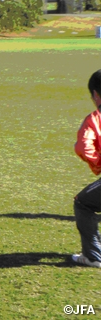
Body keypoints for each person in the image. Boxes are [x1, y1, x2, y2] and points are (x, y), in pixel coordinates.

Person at [72, 69, 101, 268]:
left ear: (96, 95)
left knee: (83, 203)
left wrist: (98, 164)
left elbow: (84, 146)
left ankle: (92, 256)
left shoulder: (95, 118)